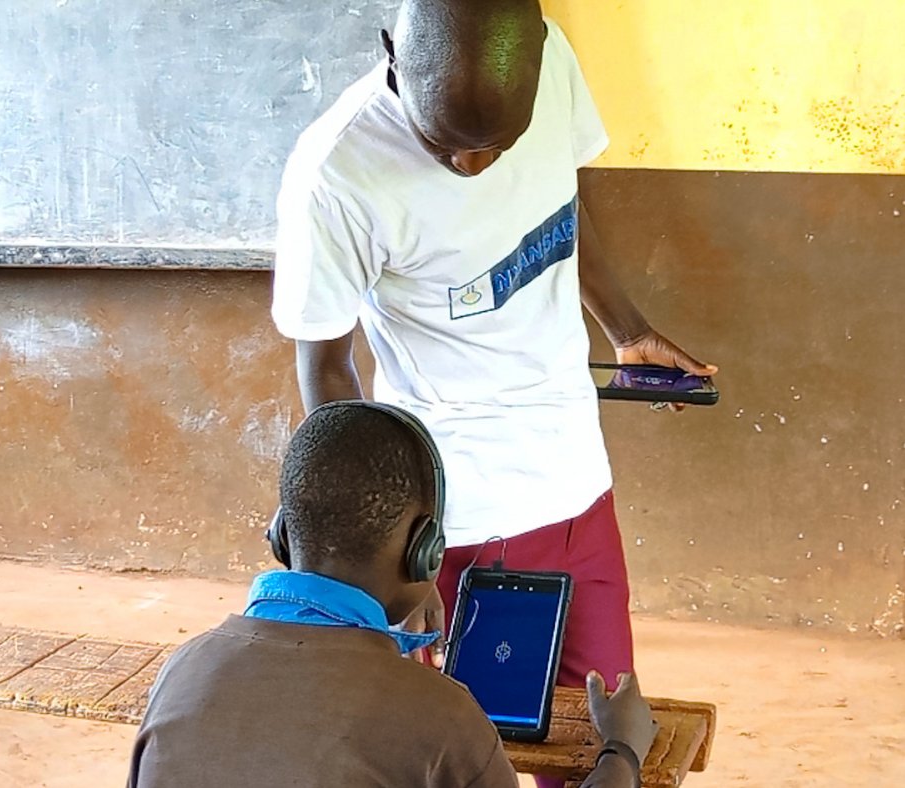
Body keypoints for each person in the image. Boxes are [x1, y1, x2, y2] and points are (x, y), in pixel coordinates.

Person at [271, 4, 714, 783]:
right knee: (457, 757)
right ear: (392, 58)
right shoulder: (336, 173)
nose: (474, 168)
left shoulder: (549, 67)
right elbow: (328, 374)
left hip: (575, 486)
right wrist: (371, 561)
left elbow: (561, 208)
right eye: (444, 146)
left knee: (601, 741)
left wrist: (628, 327)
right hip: (445, 523)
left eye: (496, 147)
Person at [126, 401, 657, 788]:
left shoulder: (182, 672)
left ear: (282, 535)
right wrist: (622, 751)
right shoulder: (440, 715)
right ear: (425, 550)